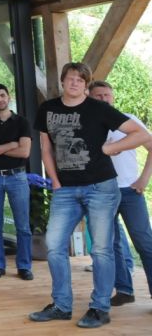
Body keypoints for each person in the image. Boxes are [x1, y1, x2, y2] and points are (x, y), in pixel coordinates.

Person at [28, 62, 150, 329]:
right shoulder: (48, 109)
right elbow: (46, 148)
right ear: (63, 81)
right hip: (65, 189)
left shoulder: (99, 108)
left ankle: (100, 308)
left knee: (102, 250)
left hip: (101, 188)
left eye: (80, 80)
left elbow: (140, 134)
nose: (75, 83)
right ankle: (61, 305)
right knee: (54, 245)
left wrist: (109, 149)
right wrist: (55, 181)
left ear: (85, 85)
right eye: (71, 78)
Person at [89, 80, 152, 308]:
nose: (104, 99)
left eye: (107, 95)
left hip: (130, 191)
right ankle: (124, 290)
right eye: (99, 95)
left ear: (113, 97)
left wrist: (144, 178)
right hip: (101, 193)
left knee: (144, 242)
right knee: (110, 244)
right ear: (89, 98)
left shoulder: (128, 120)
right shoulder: (88, 125)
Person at [0, 83, 33, 280]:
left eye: (2, 95)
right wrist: (11, 144)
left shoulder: (22, 122)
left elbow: (24, 152)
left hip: (17, 177)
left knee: (23, 226)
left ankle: (24, 267)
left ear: (8, 97)